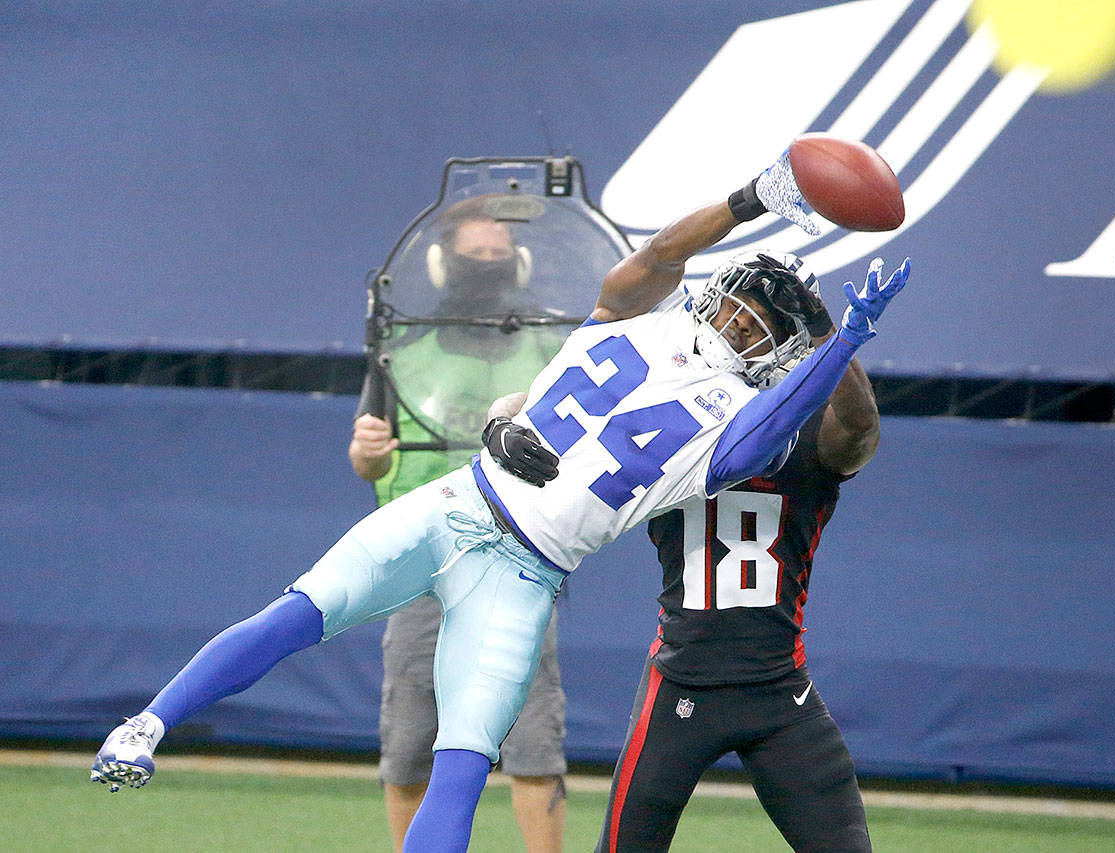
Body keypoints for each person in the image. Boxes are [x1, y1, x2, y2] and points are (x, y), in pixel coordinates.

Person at [90, 149, 910, 853]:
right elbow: (666, 264)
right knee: (300, 612)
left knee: (459, 759)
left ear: (774, 351)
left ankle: (152, 722)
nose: (734, 316)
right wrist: (787, 251)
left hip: (517, 568)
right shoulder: (677, 357)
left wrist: (808, 289)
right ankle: (150, 722)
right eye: (737, 301)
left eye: (753, 318)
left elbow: (757, 413)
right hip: (464, 505)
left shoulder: (693, 377)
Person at [489, 254, 882, 852]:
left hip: (779, 691)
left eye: (770, 317)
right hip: (680, 682)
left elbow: (858, 427)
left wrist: (836, 332)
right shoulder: (673, 399)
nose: (744, 325)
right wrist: (498, 421)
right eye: (737, 306)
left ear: (793, 342)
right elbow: (541, 402)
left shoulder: (811, 433)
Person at [350, 200, 568, 853]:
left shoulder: (551, 352)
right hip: (421, 565)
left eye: (496, 250)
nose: (488, 262)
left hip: (519, 562)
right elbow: (368, 455)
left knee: (533, 742)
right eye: (475, 252)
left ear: (519, 261)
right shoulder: (401, 355)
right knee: (412, 740)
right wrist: (366, 453)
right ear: (444, 263)